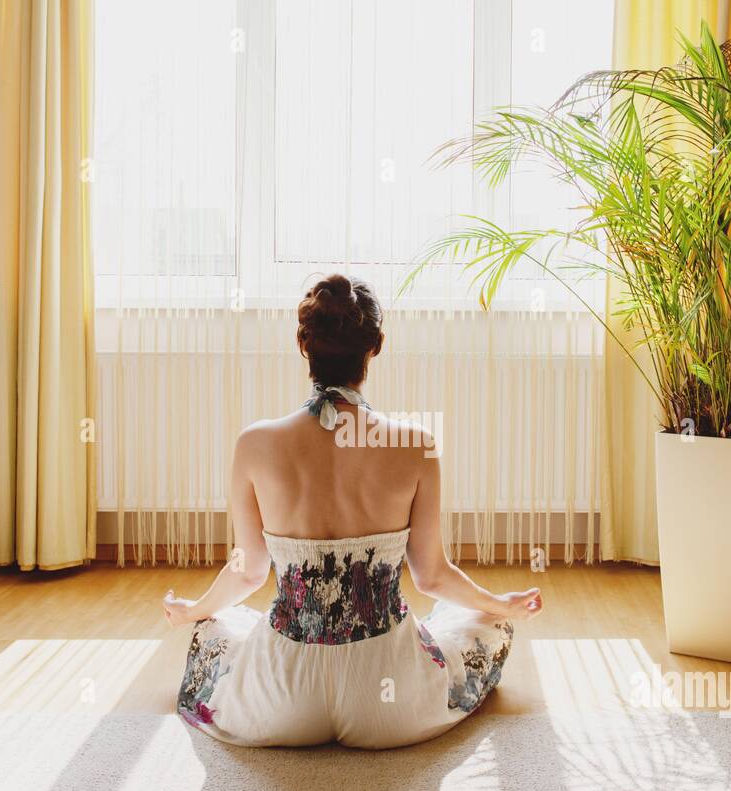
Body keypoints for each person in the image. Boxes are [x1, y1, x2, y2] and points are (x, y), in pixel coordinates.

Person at [164, 274, 542, 748]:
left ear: (304, 345)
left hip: (283, 701)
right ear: (376, 346)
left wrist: (192, 611)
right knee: (488, 624)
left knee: (214, 628)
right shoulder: (415, 445)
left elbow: (247, 573)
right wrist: (500, 604)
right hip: (389, 703)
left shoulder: (255, 444)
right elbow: (432, 577)